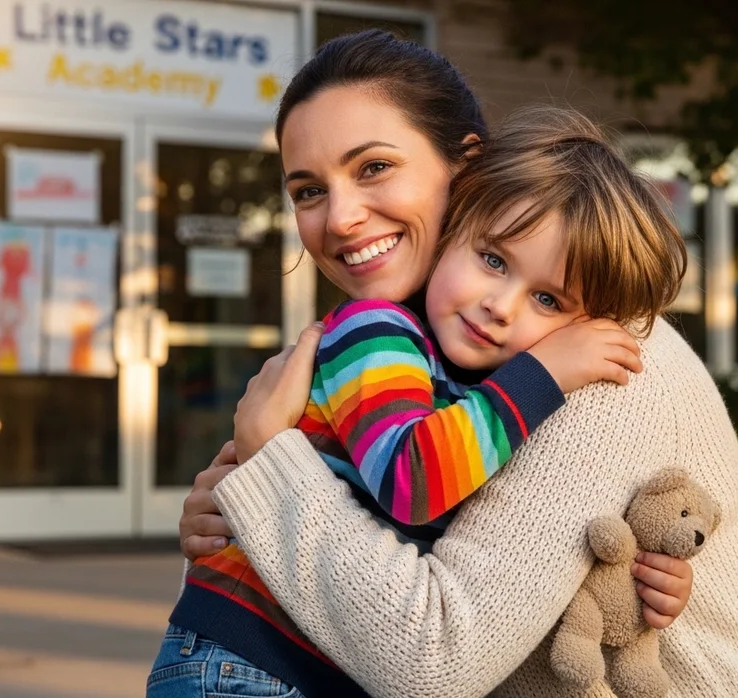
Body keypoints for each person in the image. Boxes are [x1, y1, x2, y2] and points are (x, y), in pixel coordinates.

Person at [179, 30, 738, 698]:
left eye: (373, 167)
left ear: (468, 168)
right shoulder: (426, 345)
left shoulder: (601, 348)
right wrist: (243, 505)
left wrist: (271, 463)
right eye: (309, 191)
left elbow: (432, 660)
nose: (339, 218)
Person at [154, 104, 685, 698]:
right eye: (492, 260)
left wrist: (638, 577)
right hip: (247, 664)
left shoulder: (478, 390)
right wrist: (542, 373)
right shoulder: (376, 333)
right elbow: (413, 481)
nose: (501, 305)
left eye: (548, 300)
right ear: (455, 226)